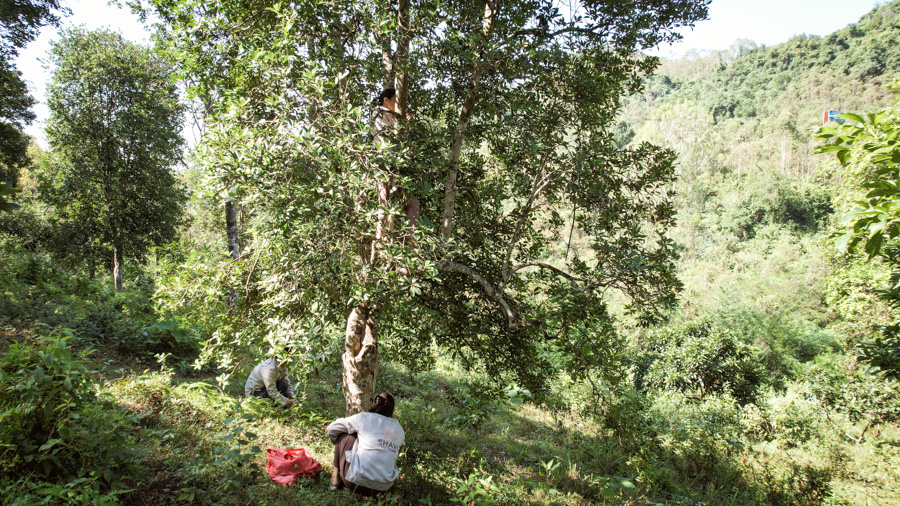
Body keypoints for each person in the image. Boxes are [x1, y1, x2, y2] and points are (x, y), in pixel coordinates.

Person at [327, 392, 405, 497]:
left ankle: (335, 477)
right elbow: (399, 450)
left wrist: (337, 443)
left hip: (355, 483)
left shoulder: (364, 417)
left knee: (345, 434)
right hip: (383, 488)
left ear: (374, 404)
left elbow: (331, 429)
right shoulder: (399, 428)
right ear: (393, 410)